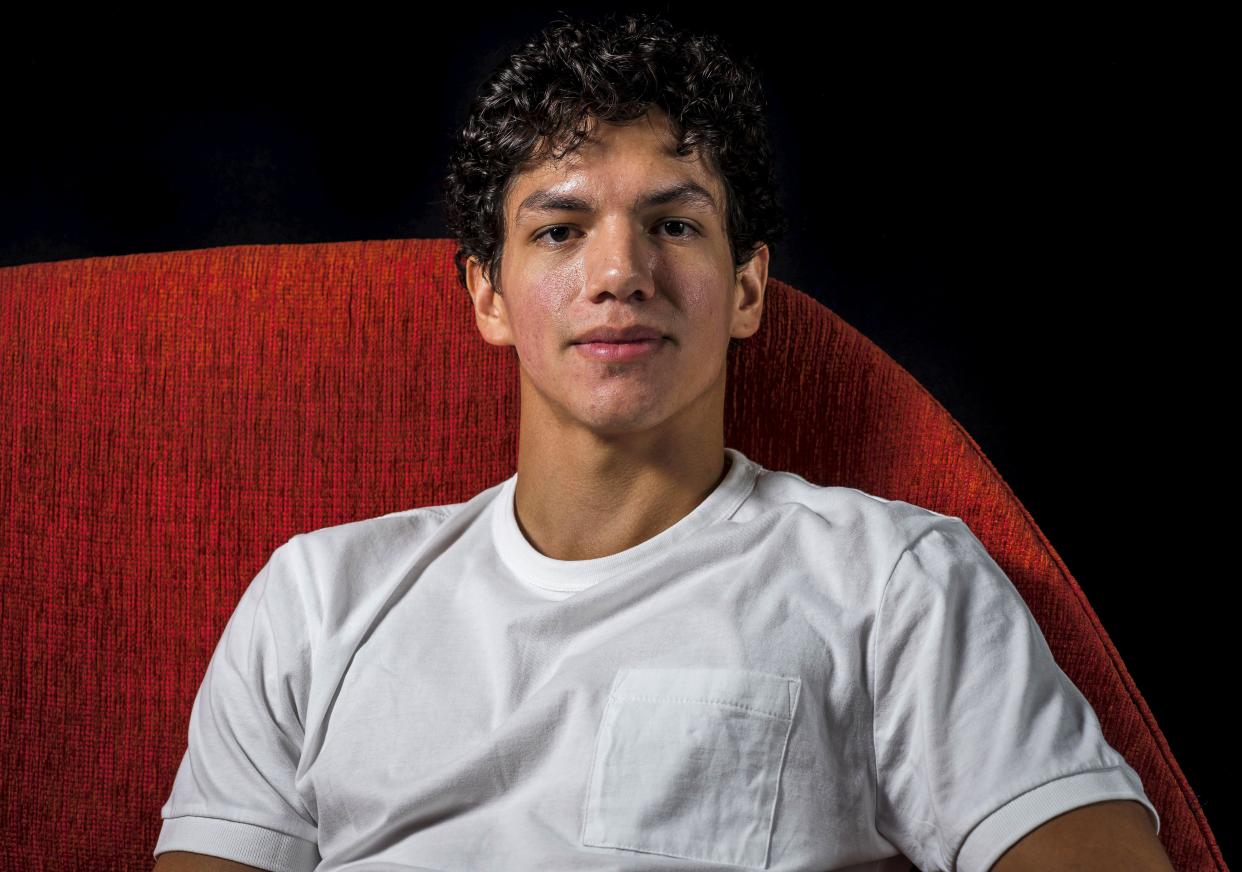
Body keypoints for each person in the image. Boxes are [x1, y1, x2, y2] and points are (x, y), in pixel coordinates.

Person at [153, 11, 1172, 872]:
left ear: (746, 288)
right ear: (487, 296)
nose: (620, 272)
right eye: (559, 230)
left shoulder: (893, 580)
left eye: (675, 225)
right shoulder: (316, 599)